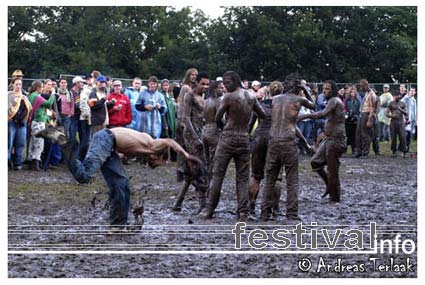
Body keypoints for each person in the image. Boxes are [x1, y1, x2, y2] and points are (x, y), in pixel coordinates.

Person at [34, 127, 202, 228]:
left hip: (110, 146)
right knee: (84, 176)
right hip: (106, 140)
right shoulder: (153, 145)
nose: (155, 166)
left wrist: (119, 157)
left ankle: (118, 224)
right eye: (158, 163)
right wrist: (186, 155)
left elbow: (124, 147)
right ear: (160, 156)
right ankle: (63, 141)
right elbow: (171, 141)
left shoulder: (143, 150)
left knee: (122, 184)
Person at [199, 71, 266, 221]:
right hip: (243, 138)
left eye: (227, 82)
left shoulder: (229, 97)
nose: (224, 85)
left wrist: (225, 126)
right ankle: (243, 212)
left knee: (218, 175)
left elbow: (217, 118)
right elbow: (262, 114)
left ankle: (209, 209)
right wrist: (247, 127)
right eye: (223, 83)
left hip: (228, 138)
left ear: (236, 81)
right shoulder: (251, 96)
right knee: (242, 178)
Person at [259, 80, 316, 221]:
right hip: (288, 142)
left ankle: (265, 213)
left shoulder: (275, 99)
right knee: (292, 179)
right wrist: (306, 90)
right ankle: (291, 213)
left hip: (273, 140)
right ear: (298, 89)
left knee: (270, 179)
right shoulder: (299, 99)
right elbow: (314, 105)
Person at [298, 80, 346, 202]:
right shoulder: (331, 101)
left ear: (333, 90)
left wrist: (305, 116)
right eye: (324, 88)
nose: (324, 91)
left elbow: (323, 113)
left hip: (336, 140)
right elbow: (315, 106)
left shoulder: (335, 100)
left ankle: (335, 196)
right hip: (329, 138)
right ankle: (329, 186)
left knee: (332, 170)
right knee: (315, 162)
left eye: (327, 89)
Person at [172, 72, 210, 213]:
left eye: (207, 84)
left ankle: (178, 202)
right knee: (200, 169)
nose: (205, 86)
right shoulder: (190, 96)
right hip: (190, 135)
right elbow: (185, 118)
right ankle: (203, 204)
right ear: (197, 83)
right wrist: (195, 138)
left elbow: (201, 116)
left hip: (200, 133)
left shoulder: (203, 96)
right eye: (203, 83)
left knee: (191, 173)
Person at [175, 68, 198, 181]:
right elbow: (182, 105)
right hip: (183, 120)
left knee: (188, 146)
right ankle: (181, 170)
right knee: (182, 145)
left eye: (195, 75)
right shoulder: (185, 88)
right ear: (188, 75)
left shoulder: (194, 88)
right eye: (192, 74)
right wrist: (182, 120)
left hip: (190, 120)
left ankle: (186, 169)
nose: (194, 76)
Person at [27, 80, 55, 171]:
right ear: (38, 87)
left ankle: (31, 161)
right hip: (38, 121)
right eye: (42, 86)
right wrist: (53, 94)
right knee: (39, 143)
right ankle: (35, 163)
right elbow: (48, 104)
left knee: (33, 142)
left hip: (34, 121)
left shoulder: (31, 96)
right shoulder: (36, 96)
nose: (42, 88)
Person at [203, 80, 225, 182]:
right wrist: (224, 128)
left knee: (206, 160)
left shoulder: (205, 101)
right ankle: (210, 183)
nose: (222, 89)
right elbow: (219, 119)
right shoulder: (219, 101)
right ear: (214, 89)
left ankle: (205, 180)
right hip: (214, 132)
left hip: (205, 131)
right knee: (214, 160)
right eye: (220, 88)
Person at [8, 78, 32, 170]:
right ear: (13, 85)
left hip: (22, 123)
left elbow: (29, 108)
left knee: (20, 143)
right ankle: (7, 162)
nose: (18, 86)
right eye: (16, 84)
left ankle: (18, 163)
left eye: (20, 84)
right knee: (9, 144)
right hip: (11, 122)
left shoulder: (24, 97)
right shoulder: (8, 95)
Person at [70, 76, 92, 161]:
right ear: (77, 83)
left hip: (81, 117)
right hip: (73, 117)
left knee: (83, 137)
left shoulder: (82, 92)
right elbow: (73, 105)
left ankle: (80, 156)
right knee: (72, 136)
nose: (82, 84)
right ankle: (72, 156)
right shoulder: (71, 92)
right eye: (81, 82)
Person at [355, 79, 378, 158]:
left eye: (361, 86)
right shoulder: (366, 93)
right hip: (362, 113)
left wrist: (369, 119)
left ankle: (365, 152)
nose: (360, 88)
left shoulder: (372, 94)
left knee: (365, 134)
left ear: (365, 85)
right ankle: (359, 151)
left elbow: (372, 108)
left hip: (367, 114)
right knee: (358, 134)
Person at [386, 91, 408, 157]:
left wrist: (400, 109)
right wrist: (391, 116)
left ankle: (404, 151)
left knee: (403, 137)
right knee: (393, 137)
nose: (397, 97)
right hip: (393, 121)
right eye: (396, 96)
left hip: (400, 121)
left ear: (400, 96)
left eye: (399, 95)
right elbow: (386, 113)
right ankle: (394, 151)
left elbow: (406, 113)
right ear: (394, 96)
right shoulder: (391, 103)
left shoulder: (402, 104)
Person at [344, 86, 361, 155]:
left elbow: (359, 110)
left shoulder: (357, 101)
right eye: (351, 92)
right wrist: (347, 114)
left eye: (354, 92)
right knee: (347, 135)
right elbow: (345, 108)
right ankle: (344, 149)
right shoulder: (347, 100)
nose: (352, 93)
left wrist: (355, 116)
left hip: (355, 119)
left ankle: (354, 149)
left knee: (354, 135)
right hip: (348, 119)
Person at [401, 87, 417, 152]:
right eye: (411, 91)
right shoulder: (406, 98)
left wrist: (416, 119)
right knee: (405, 134)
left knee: (409, 135)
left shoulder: (414, 100)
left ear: (415, 92)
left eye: (413, 91)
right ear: (409, 92)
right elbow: (401, 103)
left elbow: (415, 110)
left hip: (412, 120)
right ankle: (402, 147)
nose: (412, 92)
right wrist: (403, 117)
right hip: (406, 119)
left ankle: (407, 146)